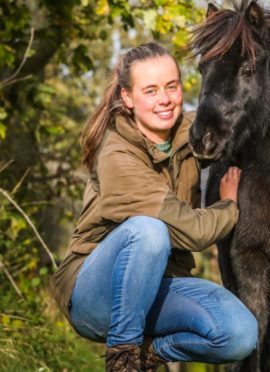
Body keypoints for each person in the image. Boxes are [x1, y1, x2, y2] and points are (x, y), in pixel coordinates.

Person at [52, 42, 258, 371]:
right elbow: (193, 232)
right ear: (127, 98)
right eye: (150, 90)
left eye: (171, 86)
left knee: (241, 335)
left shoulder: (186, 133)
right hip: (94, 295)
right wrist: (229, 205)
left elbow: (235, 120)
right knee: (149, 230)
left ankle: (150, 352)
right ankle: (123, 357)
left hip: (160, 286)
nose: (164, 99)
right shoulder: (117, 156)